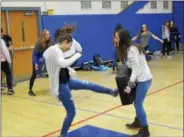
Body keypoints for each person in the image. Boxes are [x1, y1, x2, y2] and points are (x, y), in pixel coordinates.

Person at [41, 34, 118, 137]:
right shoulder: (55, 50)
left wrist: (75, 51)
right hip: (61, 86)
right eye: (69, 45)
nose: (69, 47)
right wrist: (77, 55)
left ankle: (112, 91)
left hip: (67, 80)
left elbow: (57, 59)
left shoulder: (56, 50)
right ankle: (62, 135)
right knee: (71, 112)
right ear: (64, 42)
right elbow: (62, 63)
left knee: (89, 85)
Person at [117, 30, 152, 137]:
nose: (115, 39)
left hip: (143, 80)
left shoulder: (132, 50)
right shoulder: (129, 49)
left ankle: (145, 130)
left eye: (117, 37)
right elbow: (131, 66)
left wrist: (129, 84)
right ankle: (138, 121)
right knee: (137, 102)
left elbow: (136, 69)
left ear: (122, 38)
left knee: (138, 103)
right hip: (141, 79)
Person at [28, 29, 52, 96]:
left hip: (45, 58)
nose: (48, 36)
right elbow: (34, 54)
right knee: (34, 74)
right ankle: (30, 90)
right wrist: (35, 63)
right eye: (47, 34)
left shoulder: (50, 42)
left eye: (49, 34)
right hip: (37, 59)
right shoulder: (39, 42)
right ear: (43, 35)